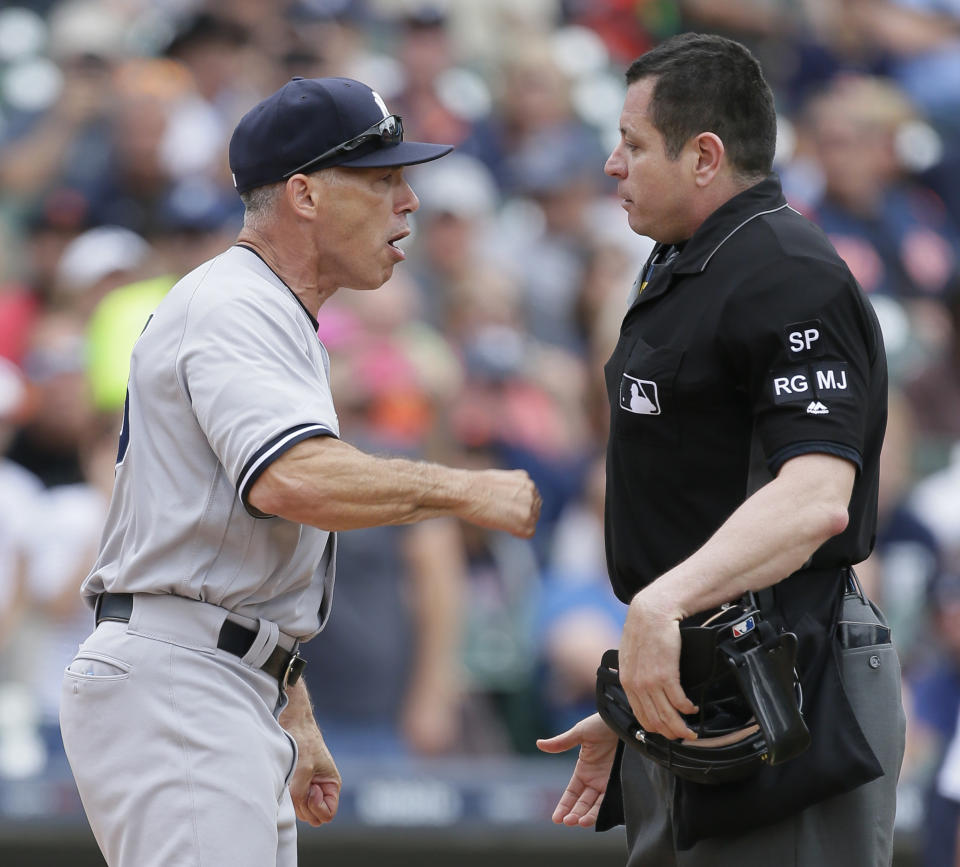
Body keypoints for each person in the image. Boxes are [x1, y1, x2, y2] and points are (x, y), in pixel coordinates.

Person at [58, 76, 542, 867]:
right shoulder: (236, 305)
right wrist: (464, 487)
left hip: (217, 677)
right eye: (383, 179)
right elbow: (293, 480)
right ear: (305, 194)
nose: (408, 201)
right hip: (178, 682)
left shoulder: (271, 310)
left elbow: (238, 548)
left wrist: (291, 700)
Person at [536, 34, 905, 865]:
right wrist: (643, 689)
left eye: (632, 144)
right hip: (705, 686)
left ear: (704, 155)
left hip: (792, 686)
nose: (610, 164)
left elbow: (815, 495)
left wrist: (660, 610)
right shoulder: (684, 262)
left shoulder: (785, 269)